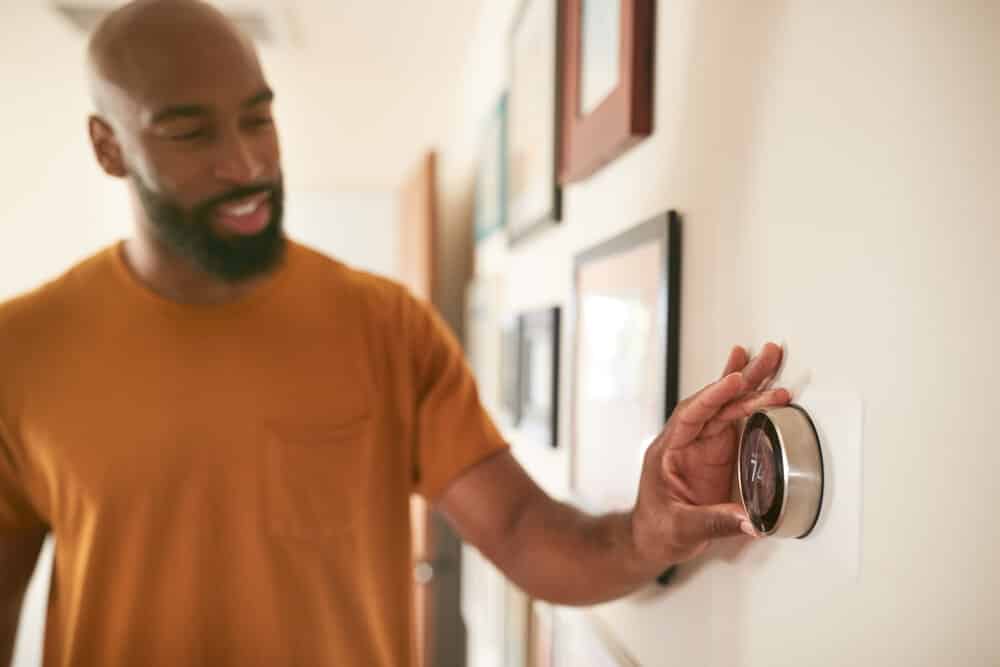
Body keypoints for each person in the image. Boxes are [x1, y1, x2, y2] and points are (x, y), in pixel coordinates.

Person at [0, 1, 790, 665]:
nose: (245, 163)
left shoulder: (385, 324)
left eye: (258, 118)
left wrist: (647, 531)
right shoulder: (21, 350)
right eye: (189, 133)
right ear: (109, 146)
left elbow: (521, 530)